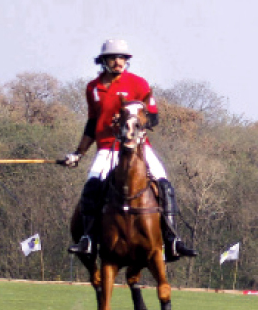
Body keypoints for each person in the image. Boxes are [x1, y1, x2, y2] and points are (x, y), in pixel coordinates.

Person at [63, 39, 197, 263]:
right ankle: (87, 238)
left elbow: (153, 117)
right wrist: (78, 153)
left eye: (122, 58)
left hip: (139, 147)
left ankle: (173, 240)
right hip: (107, 147)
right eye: (114, 58)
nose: (118, 62)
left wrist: (131, 119)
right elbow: (92, 123)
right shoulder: (93, 88)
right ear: (104, 61)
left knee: (165, 184)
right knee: (92, 186)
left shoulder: (138, 83)